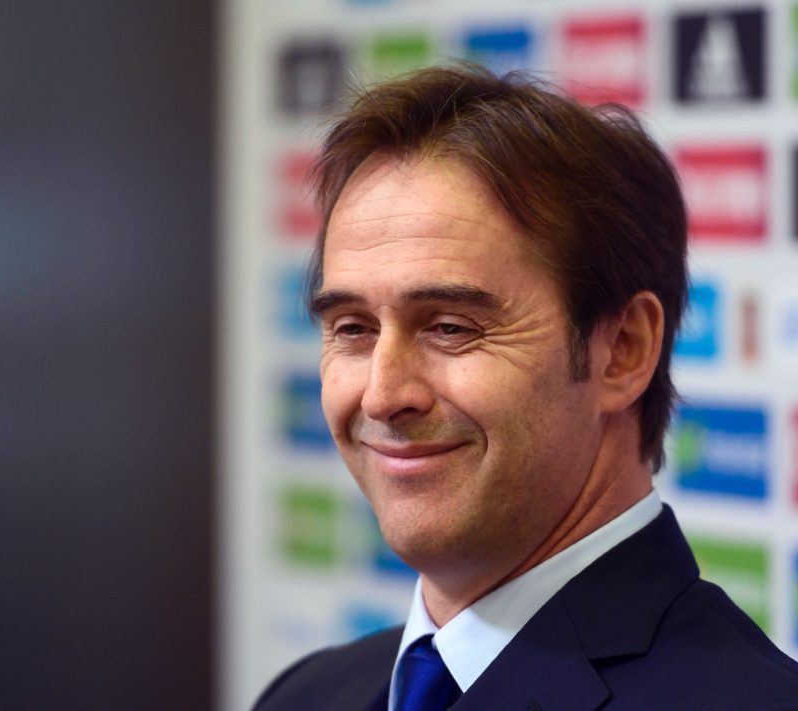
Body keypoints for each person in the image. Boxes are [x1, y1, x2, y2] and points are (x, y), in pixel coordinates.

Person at [253, 64, 798, 710]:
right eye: (352, 327)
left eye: (451, 326)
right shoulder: (306, 694)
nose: (381, 394)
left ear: (623, 350)